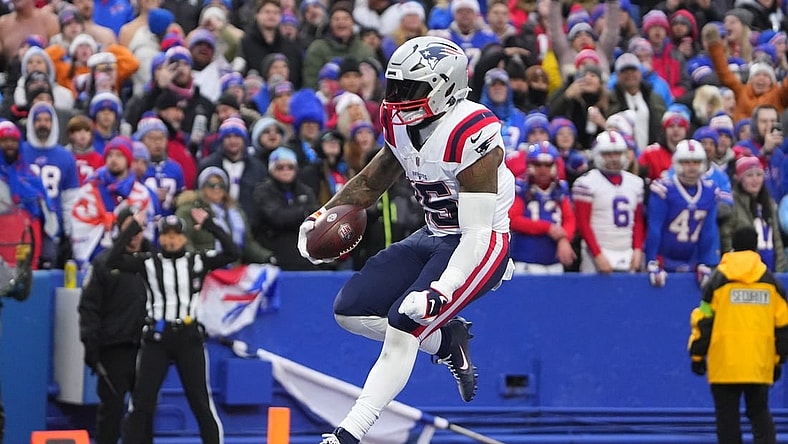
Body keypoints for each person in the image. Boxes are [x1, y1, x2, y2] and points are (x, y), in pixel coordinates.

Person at [298, 36, 515, 444]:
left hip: (481, 246)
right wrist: (321, 215)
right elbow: (373, 179)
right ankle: (446, 339)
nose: (396, 98)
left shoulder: (472, 134)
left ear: (445, 88)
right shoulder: (400, 121)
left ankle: (348, 435)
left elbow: (477, 232)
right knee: (350, 310)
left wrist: (441, 290)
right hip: (434, 233)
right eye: (393, 86)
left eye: (408, 89)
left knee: (403, 325)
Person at [113, 208, 240, 444]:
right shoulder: (148, 262)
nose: (171, 239)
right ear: (159, 238)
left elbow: (232, 252)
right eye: (166, 235)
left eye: (176, 235)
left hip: (188, 337)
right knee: (141, 403)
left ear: (184, 238)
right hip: (156, 338)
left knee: (200, 401)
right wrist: (132, 228)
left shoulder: (197, 260)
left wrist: (211, 225)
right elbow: (113, 259)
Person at [688, 226, 788, 444]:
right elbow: (783, 327)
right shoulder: (772, 283)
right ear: (756, 247)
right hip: (758, 363)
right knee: (760, 414)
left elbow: (703, 321)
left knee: (727, 419)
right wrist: (778, 360)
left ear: (732, 246)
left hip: (724, 364)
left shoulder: (716, 281)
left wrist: (697, 355)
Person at [78, 208, 150, 444]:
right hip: (113, 349)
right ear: (119, 229)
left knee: (145, 412)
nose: (134, 235)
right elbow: (88, 308)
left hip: (146, 349)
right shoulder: (103, 264)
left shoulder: (152, 263)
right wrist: (91, 346)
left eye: (138, 230)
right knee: (112, 410)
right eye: (130, 229)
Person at [572, 131, 645, 273]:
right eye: (608, 154)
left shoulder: (635, 183)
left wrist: (637, 249)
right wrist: (598, 255)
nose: (613, 159)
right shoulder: (587, 183)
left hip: (627, 250)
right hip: (598, 251)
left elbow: (638, 221)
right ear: (598, 155)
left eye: (617, 153)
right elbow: (583, 223)